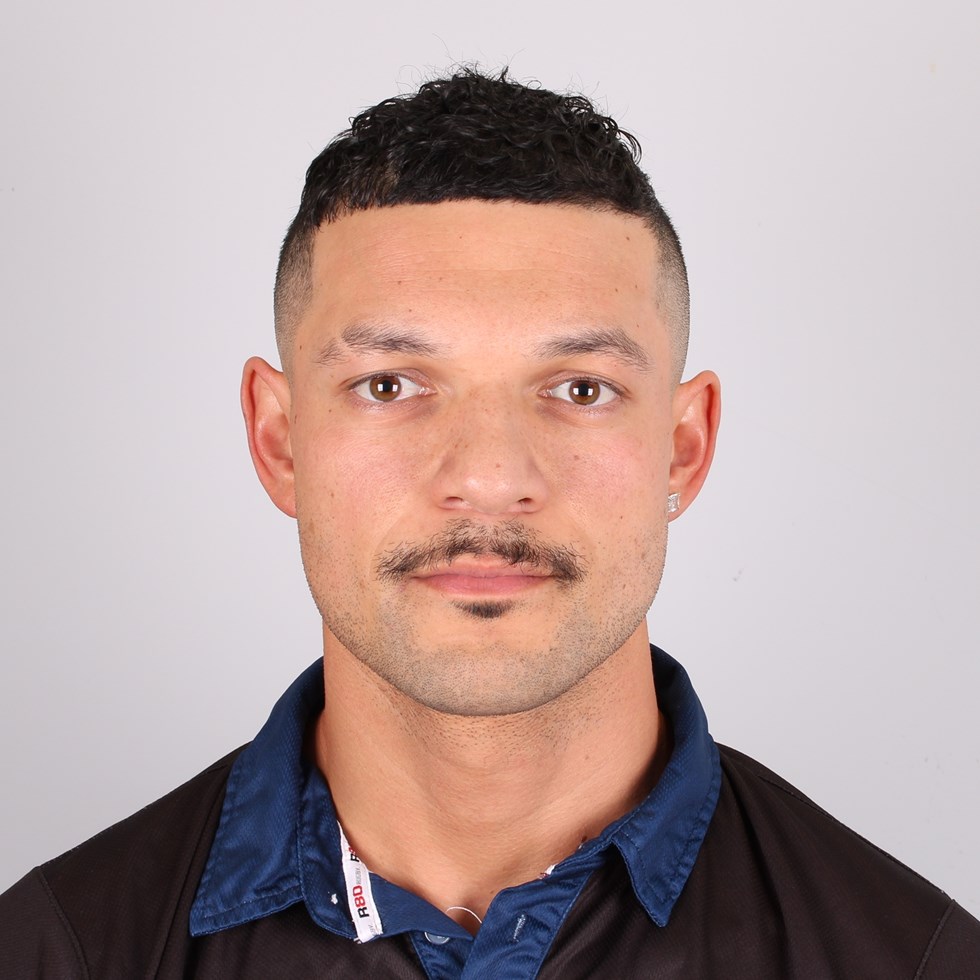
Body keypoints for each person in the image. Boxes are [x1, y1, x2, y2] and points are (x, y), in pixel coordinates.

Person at [1, 69, 977, 979]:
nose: (487, 476)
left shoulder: (913, 960)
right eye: (390, 384)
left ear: (683, 448)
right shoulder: (58, 951)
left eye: (579, 388)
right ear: (279, 439)